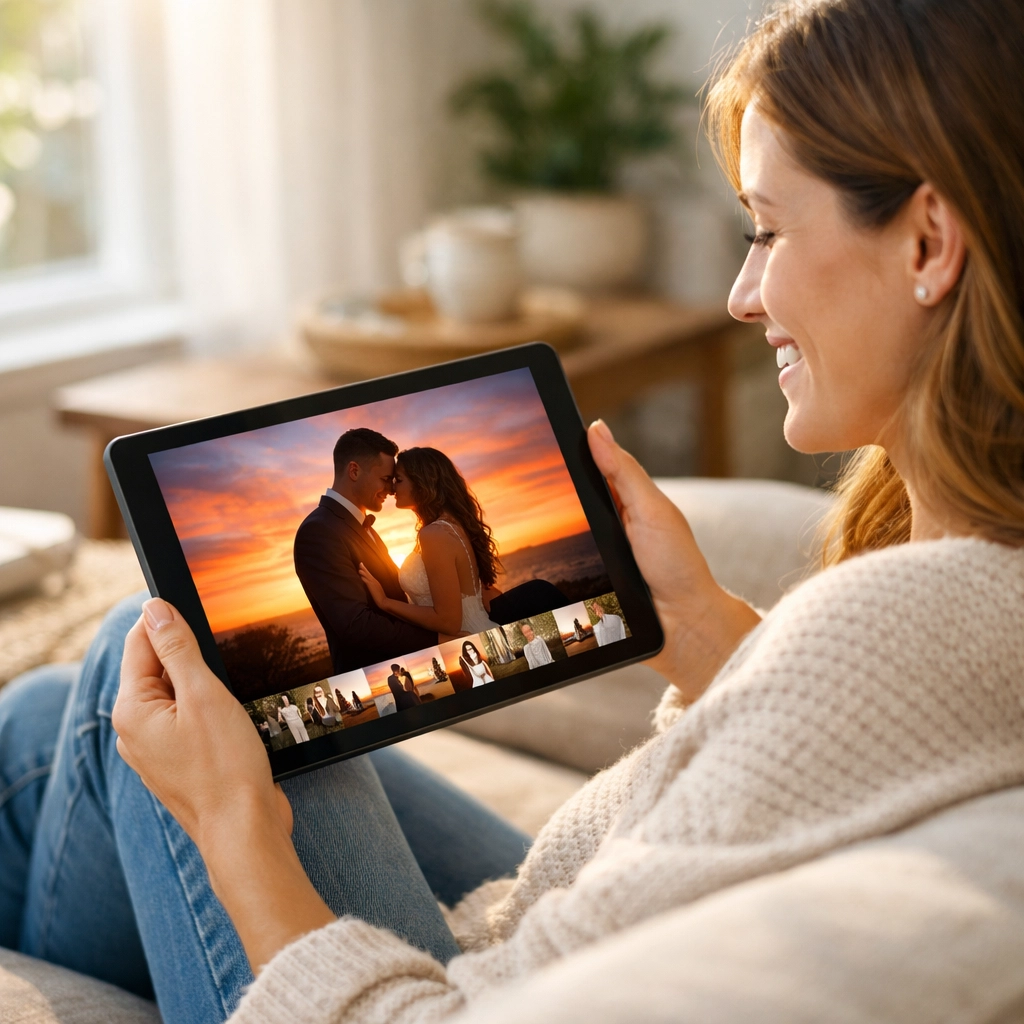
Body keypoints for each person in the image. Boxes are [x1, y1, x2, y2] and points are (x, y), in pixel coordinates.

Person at [4, 2, 1024, 1021]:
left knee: (135, 665)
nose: (740, 293)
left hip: (449, 993)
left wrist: (231, 822)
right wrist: (704, 632)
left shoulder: (898, 621)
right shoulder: (966, 595)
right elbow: (830, 764)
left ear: (928, 243)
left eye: (766, 228)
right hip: (534, 937)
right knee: (60, 717)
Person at [293, 428, 437, 674]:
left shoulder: (361, 526)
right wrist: (436, 639)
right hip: (376, 673)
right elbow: (357, 625)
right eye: (385, 479)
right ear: (354, 471)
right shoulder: (318, 532)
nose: (391, 489)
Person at [358, 447, 500, 636]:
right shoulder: (453, 524)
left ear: (422, 483)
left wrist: (385, 602)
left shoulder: (435, 534)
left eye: (398, 480)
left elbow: (448, 622)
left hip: (468, 638)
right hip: (479, 631)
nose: (392, 489)